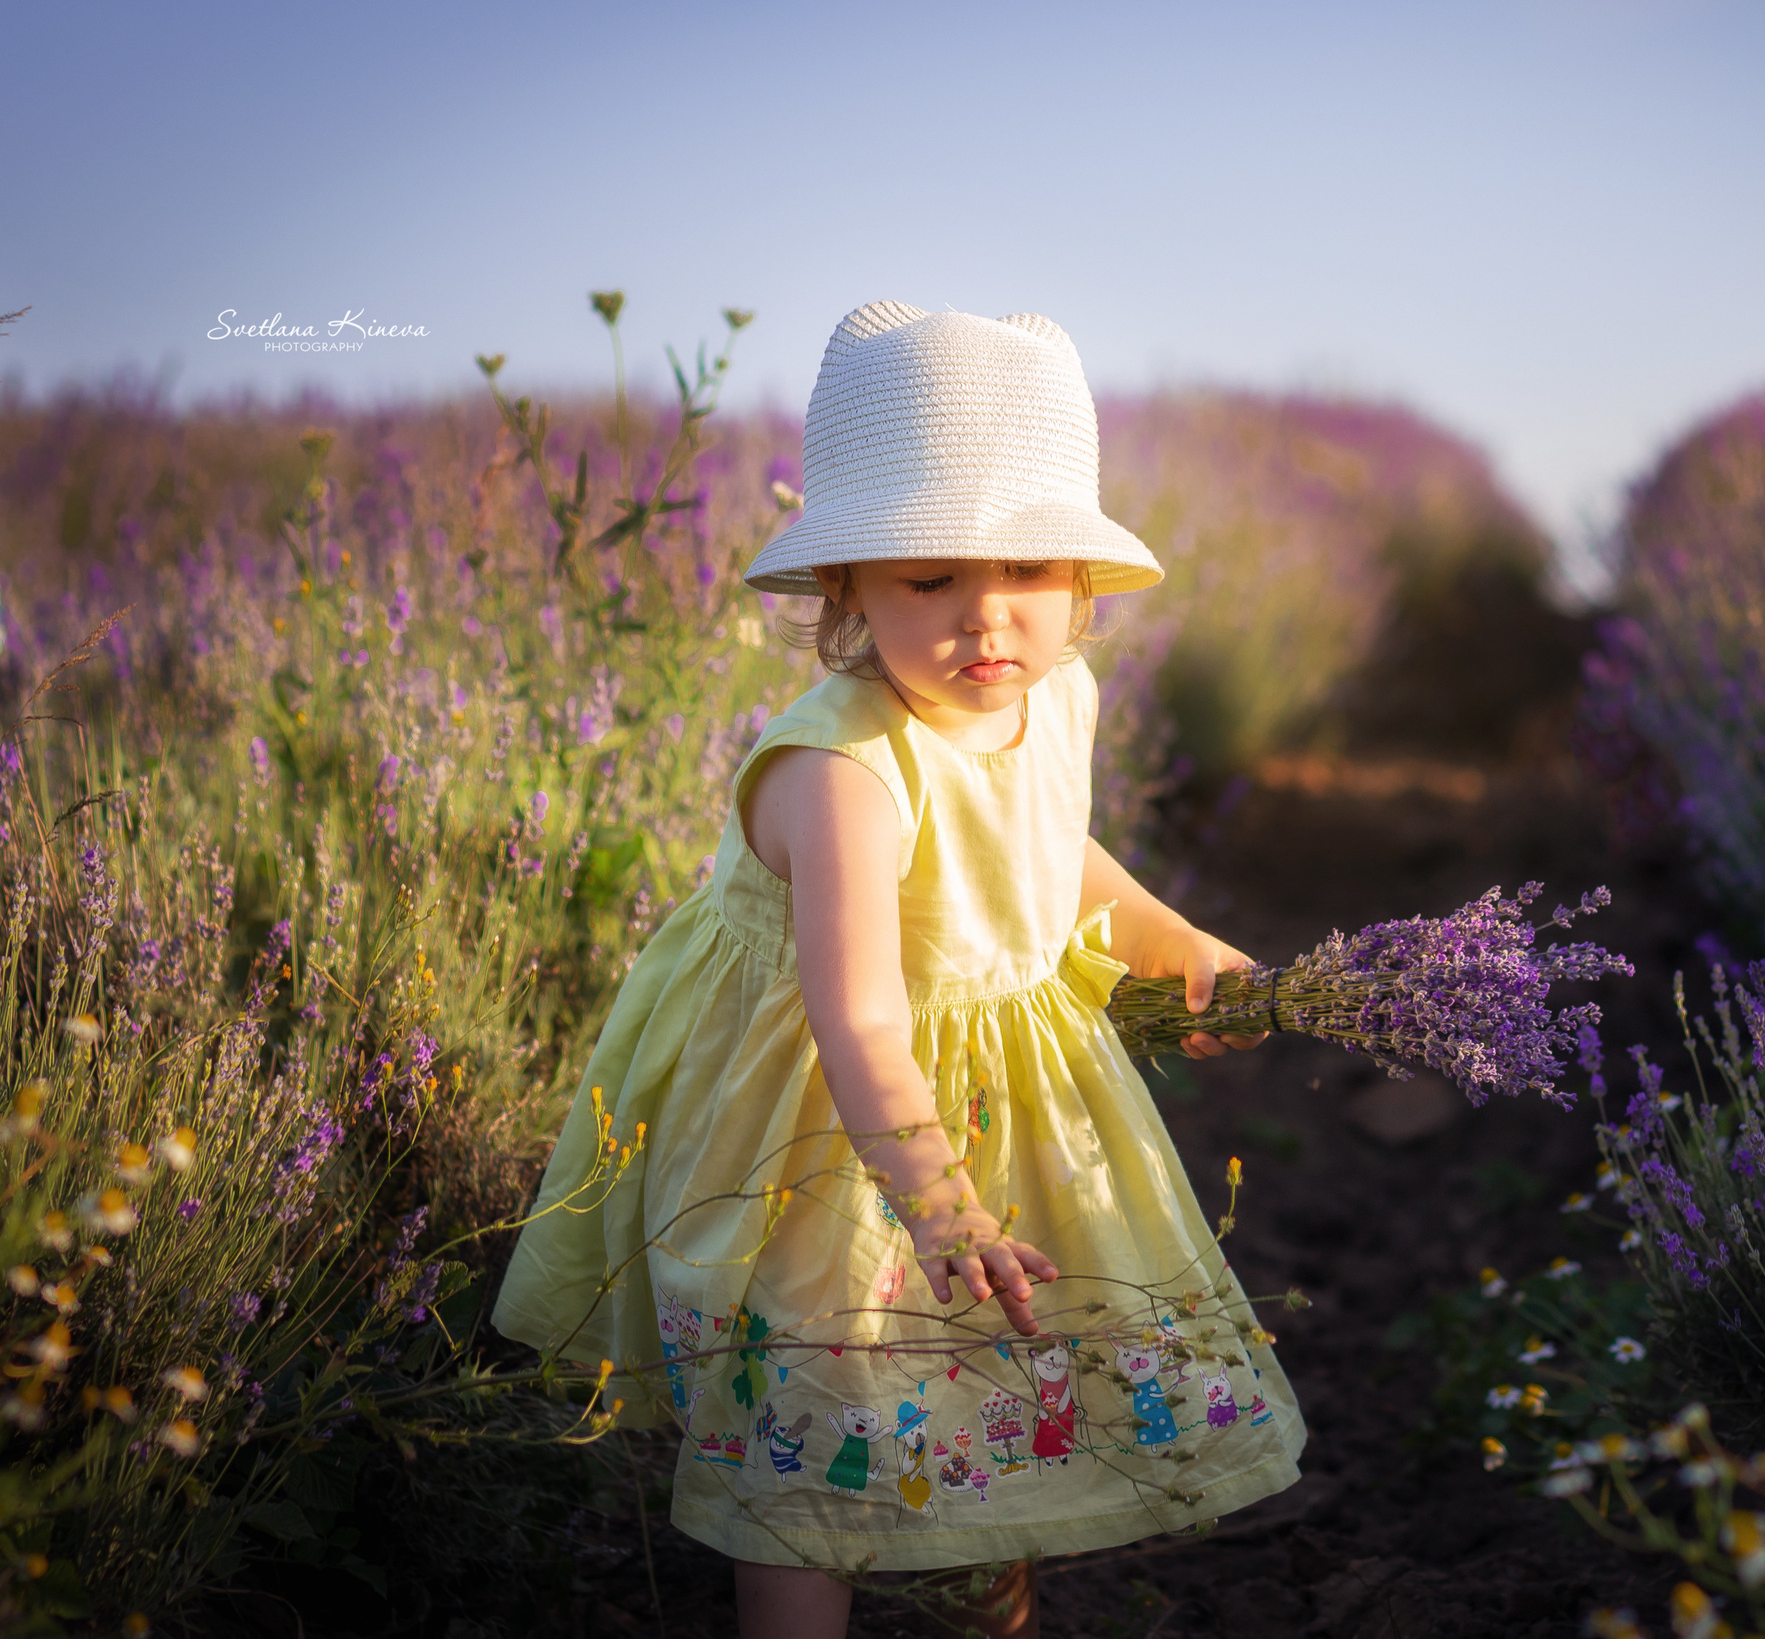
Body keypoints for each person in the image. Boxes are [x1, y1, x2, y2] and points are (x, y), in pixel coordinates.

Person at [491, 303, 1307, 1638]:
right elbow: (856, 1011)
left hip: (1000, 1087)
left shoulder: (1060, 700)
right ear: (847, 591)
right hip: (820, 1116)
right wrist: (938, 1203)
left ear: (1083, 586)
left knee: (1001, 1367)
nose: (989, 617)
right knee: (817, 1401)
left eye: (1030, 573)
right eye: (930, 580)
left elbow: (1053, 851)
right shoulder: (842, 766)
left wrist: (1179, 946)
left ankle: (986, 1587)